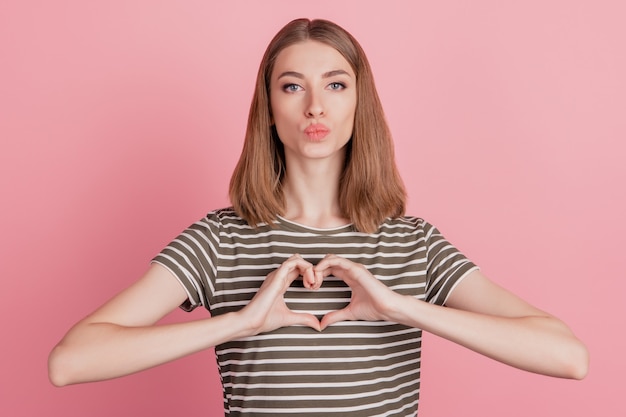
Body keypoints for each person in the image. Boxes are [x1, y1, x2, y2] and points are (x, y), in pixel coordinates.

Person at [48, 18, 588, 416]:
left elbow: (567, 356)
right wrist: (241, 322)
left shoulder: (410, 243)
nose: (315, 107)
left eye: (335, 84)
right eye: (292, 86)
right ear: (269, 108)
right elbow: (69, 362)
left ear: (359, 104)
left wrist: (402, 307)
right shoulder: (219, 240)